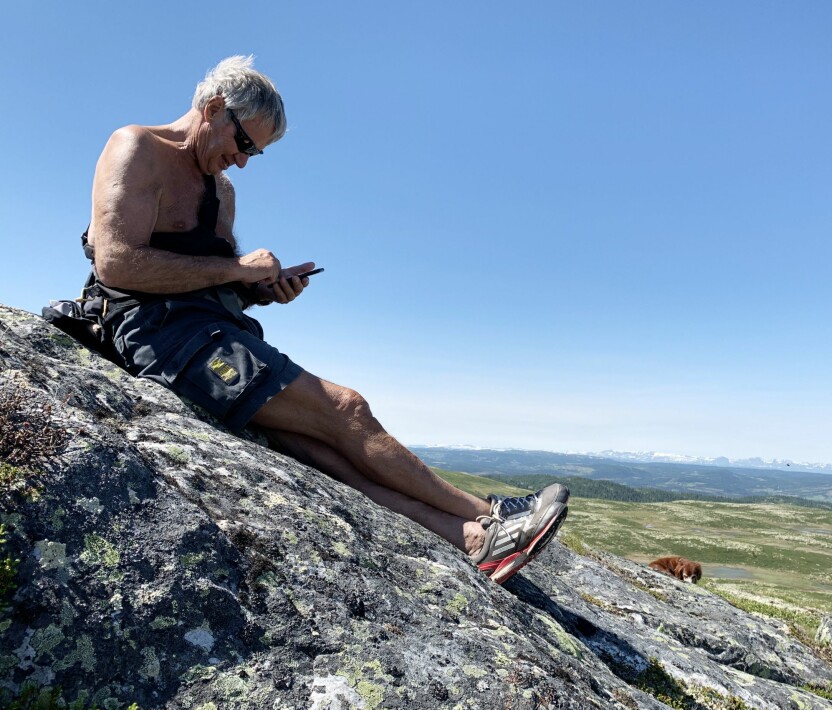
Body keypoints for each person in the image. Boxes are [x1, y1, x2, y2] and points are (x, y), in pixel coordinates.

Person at [77, 55, 568, 584]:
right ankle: (491, 516)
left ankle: (473, 540)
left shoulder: (223, 192)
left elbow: (213, 278)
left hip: (214, 328)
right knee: (346, 409)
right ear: (214, 109)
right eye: (243, 144)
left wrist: (262, 291)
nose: (242, 161)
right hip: (158, 330)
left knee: (321, 449)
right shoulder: (137, 148)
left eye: (254, 153)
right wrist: (238, 266)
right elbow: (118, 262)